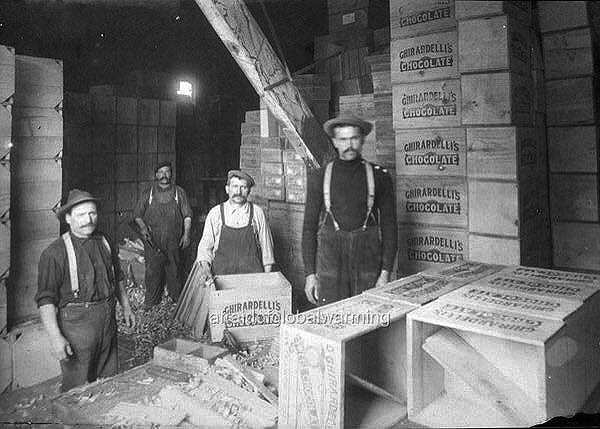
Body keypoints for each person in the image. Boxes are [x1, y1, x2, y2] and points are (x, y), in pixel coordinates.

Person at [35, 189, 135, 392]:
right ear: (68, 218)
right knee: (77, 390)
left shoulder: (105, 241)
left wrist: (126, 307)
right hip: (77, 328)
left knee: (109, 383)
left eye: (92, 213)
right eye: (81, 215)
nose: (89, 219)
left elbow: (117, 278)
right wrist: (56, 337)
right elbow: (46, 300)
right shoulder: (54, 253)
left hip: (107, 322)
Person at [302, 114, 397, 306]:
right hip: (331, 267)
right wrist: (310, 275)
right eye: (343, 139)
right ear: (335, 142)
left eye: (354, 138)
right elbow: (308, 229)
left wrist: (385, 274)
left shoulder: (380, 177)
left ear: (362, 140)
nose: (349, 145)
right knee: (331, 322)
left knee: (368, 323)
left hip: (367, 264)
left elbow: (390, 229)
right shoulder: (319, 178)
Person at [134, 161, 193, 308]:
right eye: (161, 172)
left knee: (174, 271)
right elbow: (137, 215)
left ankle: (176, 303)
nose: (164, 175)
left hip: (173, 241)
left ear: (171, 174)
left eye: (167, 172)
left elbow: (187, 215)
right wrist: (143, 227)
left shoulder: (179, 192)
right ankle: (151, 303)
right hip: (153, 242)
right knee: (153, 273)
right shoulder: (148, 194)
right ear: (156, 175)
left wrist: (186, 234)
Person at [196, 170, 274, 277]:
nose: (238, 191)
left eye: (243, 187)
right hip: (222, 277)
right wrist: (206, 270)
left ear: (249, 191)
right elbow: (205, 249)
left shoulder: (257, 213)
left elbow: (267, 250)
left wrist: (267, 278)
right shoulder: (215, 213)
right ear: (227, 189)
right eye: (235, 186)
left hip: (252, 278)